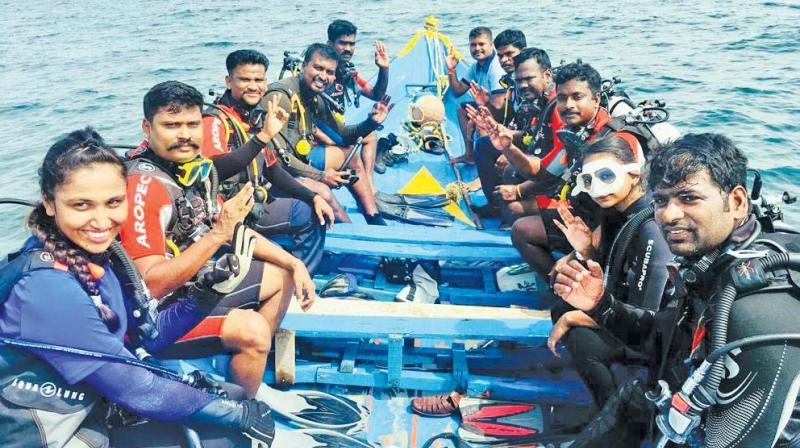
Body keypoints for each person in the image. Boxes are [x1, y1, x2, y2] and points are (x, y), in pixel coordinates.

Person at [0, 128, 274, 447]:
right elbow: (136, 388)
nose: (101, 221)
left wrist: (203, 297)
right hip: (54, 430)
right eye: (81, 206)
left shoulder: (100, 255)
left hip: (92, 402)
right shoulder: (44, 288)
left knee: (233, 399)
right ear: (49, 203)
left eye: (113, 202)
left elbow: (146, 337)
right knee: (228, 429)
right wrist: (237, 414)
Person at [554, 133, 800, 447]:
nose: (668, 215)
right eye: (661, 200)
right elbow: (663, 340)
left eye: (689, 198)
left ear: (736, 202)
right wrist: (602, 305)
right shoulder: (709, 265)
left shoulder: (756, 310)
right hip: (675, 400)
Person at [120, 81, 316, 400]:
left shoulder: (194, 170)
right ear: (147, 128)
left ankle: (240, 369)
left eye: (192, 124)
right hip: (155, 320)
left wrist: (295, 263)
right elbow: (150, 287)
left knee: (283, 276)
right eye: (171, 125)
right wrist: (216, 236)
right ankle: (237, 407)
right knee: (253, 330)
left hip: (194, 289)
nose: (184, 134)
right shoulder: (144, 187)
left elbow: (234, 228)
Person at [545, 135, 672, 408]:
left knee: (580, 336)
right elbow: (612, 274)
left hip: (655, 335)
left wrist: (571, 319)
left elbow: (644, 317)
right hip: (625, 309)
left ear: (634, 174)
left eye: (606, 175)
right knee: (562, 304)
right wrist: (586, 250)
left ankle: (617, 413)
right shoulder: (616, 211)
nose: (597, 188)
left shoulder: (650, 229)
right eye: (589, 180)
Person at [202, 49, 334, 274]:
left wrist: (312, 196)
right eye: (244, 79)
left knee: (315, 204)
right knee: (309, 216)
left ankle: (297, 273)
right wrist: (263, 137)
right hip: (227, 215)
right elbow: (216, 168)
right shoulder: (215, 121)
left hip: (255, 204)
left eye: (259, 79)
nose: (253, 86)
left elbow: (272, 168)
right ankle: (299, 280)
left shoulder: (252, 117)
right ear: (228, 81)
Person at [511, 62, 642, 280]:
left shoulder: (617, 142)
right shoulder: (576, 132)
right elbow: (542, 172)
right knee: (522, 230)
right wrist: (507, 147)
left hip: (619, 227)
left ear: (596, 99)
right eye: (562, 98)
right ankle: (557, 287)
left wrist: (574, 255)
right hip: (589, 215)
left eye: (577, 97)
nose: (568, 104)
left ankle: (579, 288)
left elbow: (621, 211)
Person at [263, 43, 393, 225]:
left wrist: (371, 122)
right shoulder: (282, 97)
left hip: (296, 159)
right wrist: (321, 176)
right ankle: (352, 236)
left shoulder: (313, 96)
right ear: (304, 66)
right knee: (324, 193)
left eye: (330, 72)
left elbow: (343, 135)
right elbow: (276, 158)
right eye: (318, 68)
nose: (323, 76)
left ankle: (374, 219)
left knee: (349, 156)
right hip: (270, 173)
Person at [468, 47, 560, 220]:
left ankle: (511, 215)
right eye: (519, 80)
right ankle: (494, 206)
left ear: (547, 76)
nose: (523, 85)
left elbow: (556, 159)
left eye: (529, 79)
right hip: (538, 150)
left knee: (511, 170)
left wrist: (510, 152)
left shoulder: (559, 106)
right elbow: (532, 134)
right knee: (484, 144)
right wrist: (499, 130)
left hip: (554, 169)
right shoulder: (534, 97)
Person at [326, 19, 389, 182]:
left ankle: (368, 183)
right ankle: (368, 187)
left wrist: (383, 69)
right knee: (368, 135)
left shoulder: (348, 73)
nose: (348, 49)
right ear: (330, 44)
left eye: (352, 44)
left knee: (371, 135)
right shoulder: (323, 73)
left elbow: (375, 94)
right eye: (343, 43)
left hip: (337, 129)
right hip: (322, 133)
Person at [445, 26, 506, 165]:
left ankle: (489, 164)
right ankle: (470, 155)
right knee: (462, 110)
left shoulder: (496, 69)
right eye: (473, 45)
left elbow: (499, 106)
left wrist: (480, 113)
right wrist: (451, 69)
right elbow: (457, 91)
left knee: (480, 123)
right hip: (488, 105)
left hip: (502, 111)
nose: (477, 48)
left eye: (481, 44)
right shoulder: (476, 67)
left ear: (491, 45)